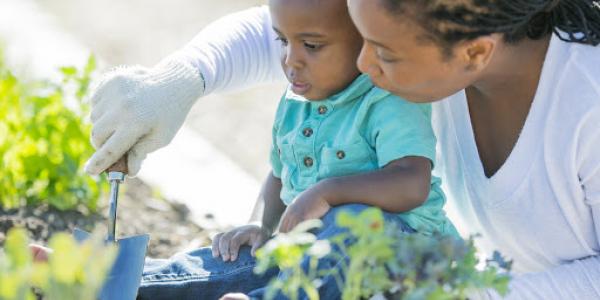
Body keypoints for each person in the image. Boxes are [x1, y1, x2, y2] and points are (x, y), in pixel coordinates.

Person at [79, 0, 600, 299]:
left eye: (384, 54)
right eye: (363, 40)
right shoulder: (434, 38)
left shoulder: (588, 106)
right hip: (431, 277)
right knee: (261, 257)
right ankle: (96, 283)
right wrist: (183, 78)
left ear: (476, 52)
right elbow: (304, 28)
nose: (363, 67)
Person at [32, 0, 457, 299]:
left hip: (398, 249)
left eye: (311, 45)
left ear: (366, 39)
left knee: (354, 225)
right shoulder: (297, 102)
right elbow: (280, 175)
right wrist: (261, 226)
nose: (291, 60)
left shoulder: (386, 100)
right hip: (314, 250)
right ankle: (107, 281)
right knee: (238, 261)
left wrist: (328, 192)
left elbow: (412, 182)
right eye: (283, 41)